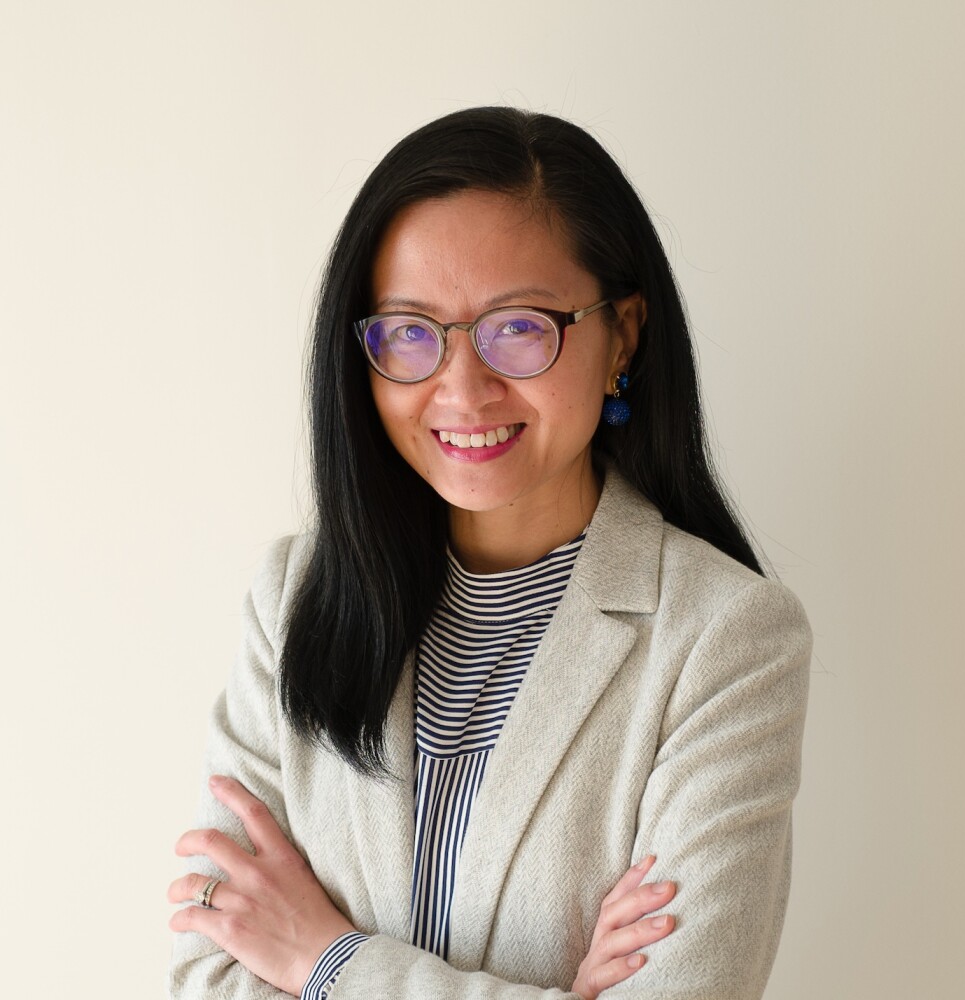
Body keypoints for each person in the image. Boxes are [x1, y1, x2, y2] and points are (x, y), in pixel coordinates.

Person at [167, 106, 811, 1000]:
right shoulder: (293, 597)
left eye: (518, 326)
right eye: (408, 332)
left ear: (622, 332)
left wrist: (325, 961)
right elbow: (206, 972)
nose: (461, 390)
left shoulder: (725, 639)